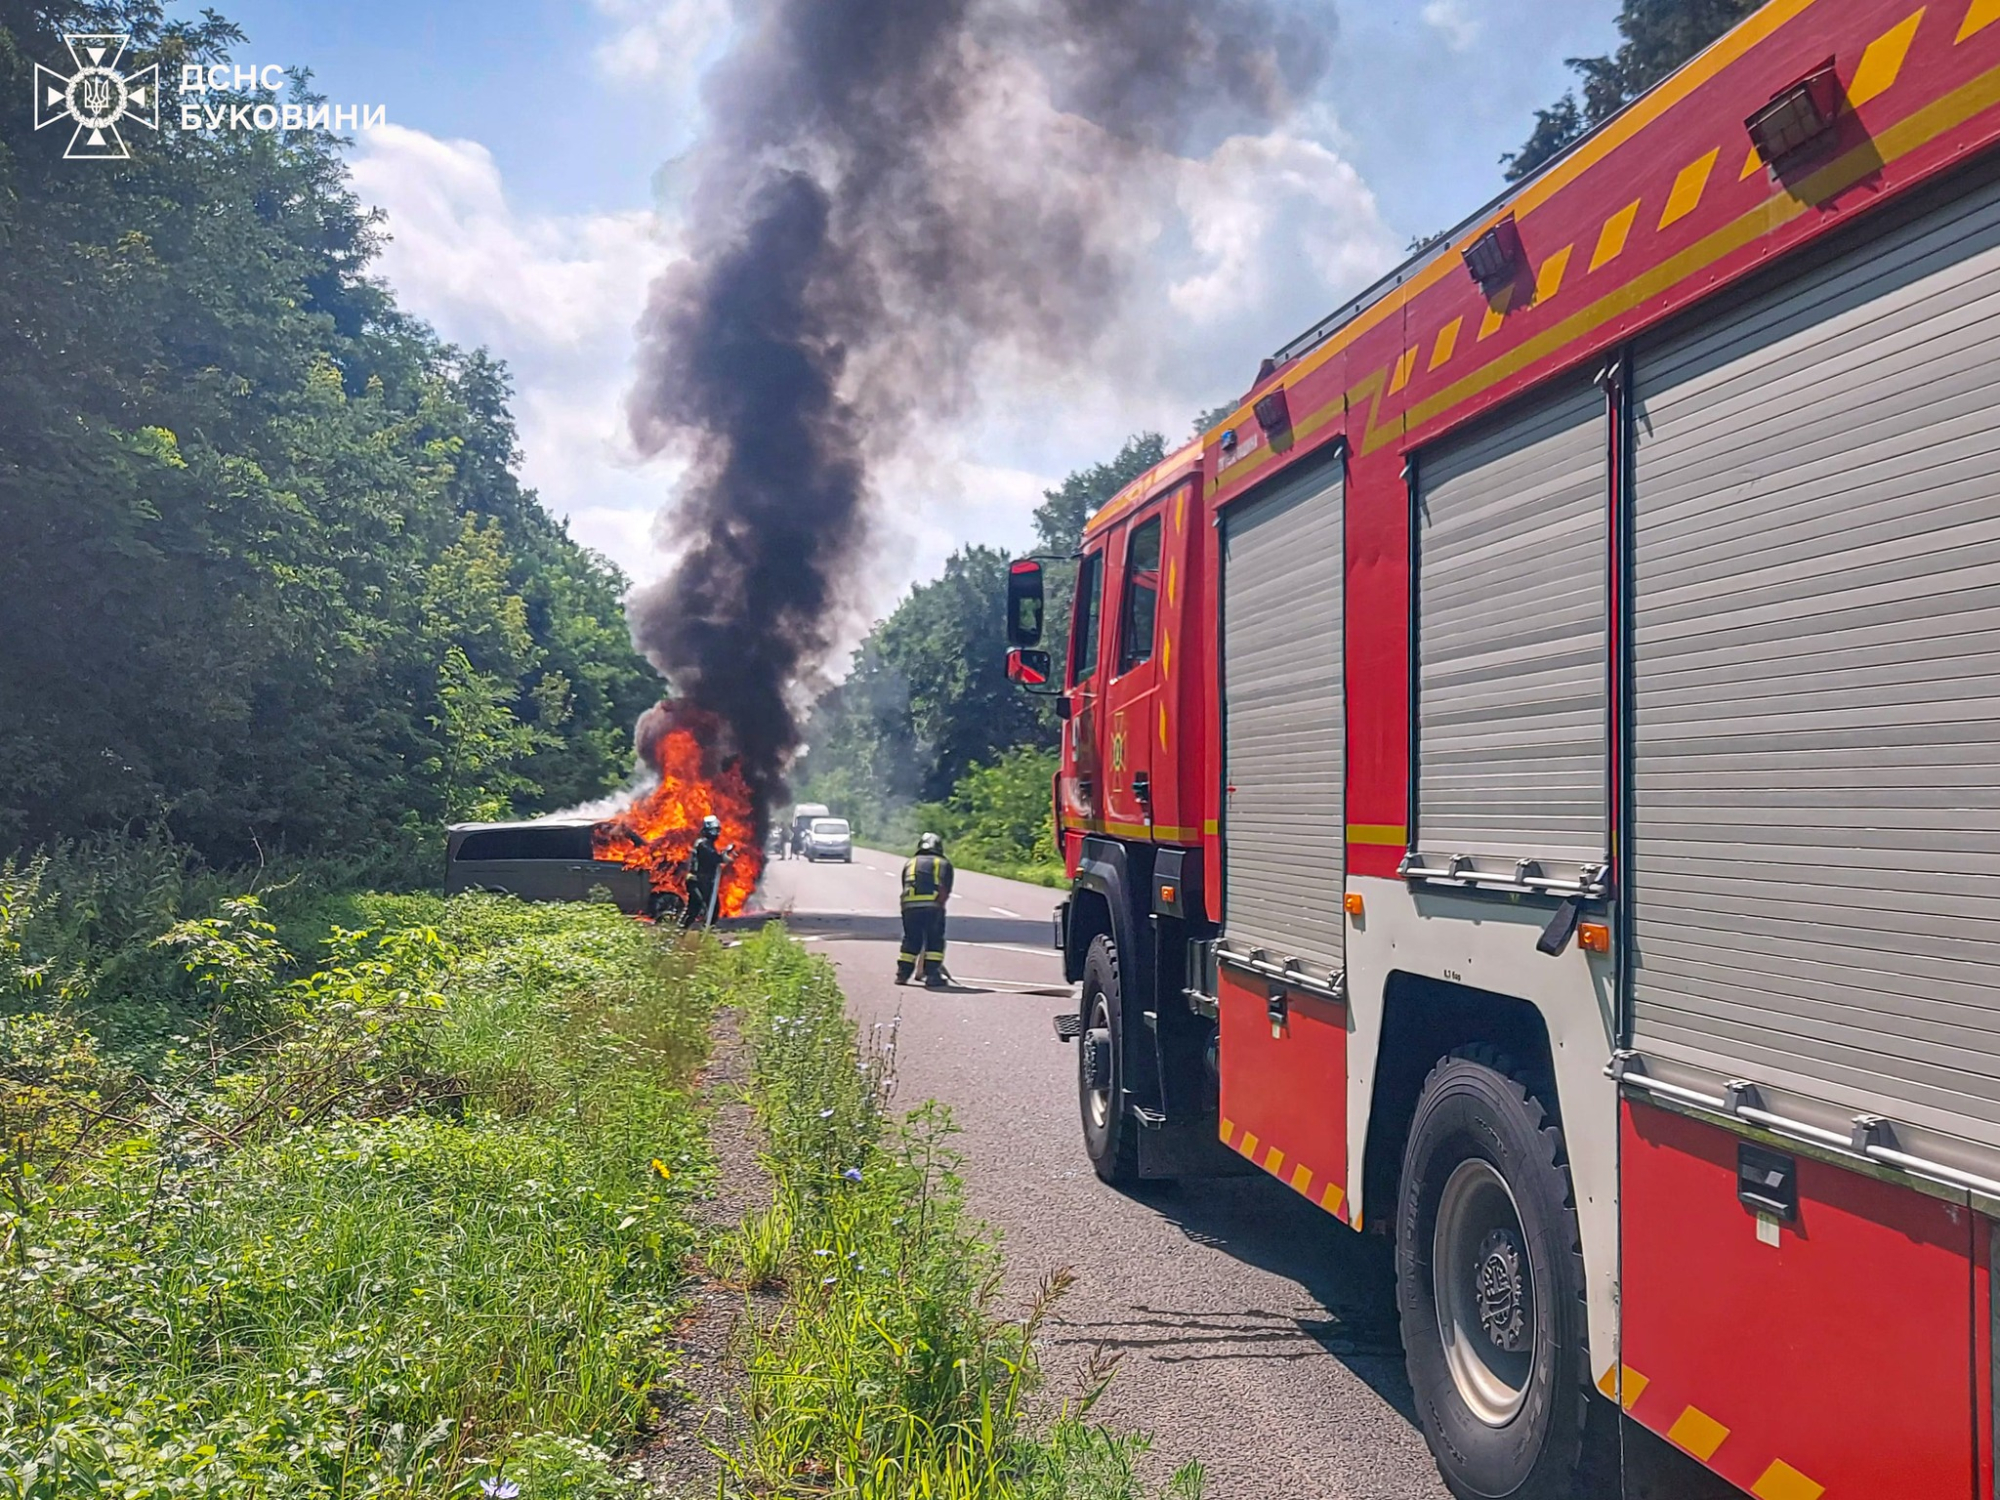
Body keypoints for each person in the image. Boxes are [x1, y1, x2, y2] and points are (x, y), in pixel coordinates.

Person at [896, 832, 954, 988]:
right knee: (934, 940)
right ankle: (932, 974)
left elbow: (904, 884)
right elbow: (945, 888)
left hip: (909, 906)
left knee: (911, 939)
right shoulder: (943, 863)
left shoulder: (910, 862)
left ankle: (902, 974)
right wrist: (939, 906)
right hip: (932, 906)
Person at [682, 815, 733, 929]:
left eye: (717, 830)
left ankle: (691, 930)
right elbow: (712, 857)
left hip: (703, 880)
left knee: (701, 908)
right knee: (706, 907)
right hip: (698, 880)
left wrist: (724, 854)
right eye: (714, 831)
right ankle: (689, 930)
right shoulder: (703, 844)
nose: (716, 834)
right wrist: (722, 857)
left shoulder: (707, 843)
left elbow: (713, 858)